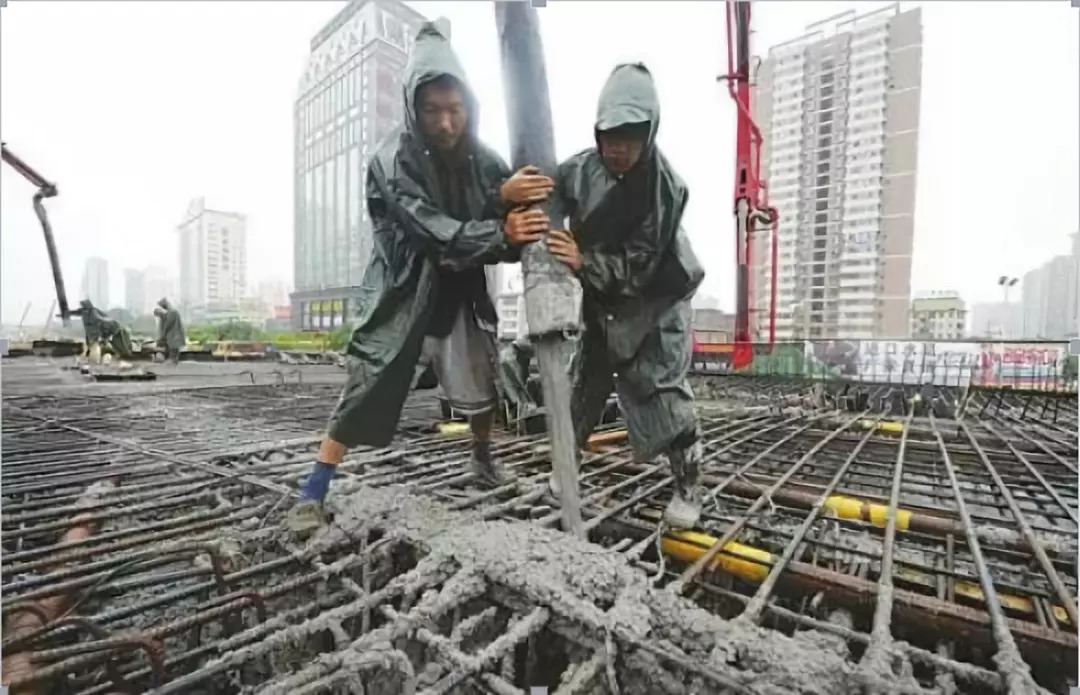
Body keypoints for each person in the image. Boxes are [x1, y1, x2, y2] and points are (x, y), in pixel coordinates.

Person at [287, 22, 553, 534]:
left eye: (455, 109)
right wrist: (502, 216)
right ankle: (313, 488)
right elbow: (433, 231)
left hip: (461, 295)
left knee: (480, 383)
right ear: (413, 107)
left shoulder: (486, 159)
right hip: (404, 295)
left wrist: (527, 223)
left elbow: (522, 220)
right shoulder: (393, 160)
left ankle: (482, 461)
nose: (447, 122)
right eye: (433, 110)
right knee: (363, 386)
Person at [546, 63, 706, 528]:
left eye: (631, 139)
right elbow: (548, 197)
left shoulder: (666, 188)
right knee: (585, 385)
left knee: (662, 392)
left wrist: (582, 262)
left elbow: (643, 262)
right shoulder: (579, 171)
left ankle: (688, 486)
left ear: (649, 134)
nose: (619, 150)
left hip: (656, 298)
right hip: (602, 294)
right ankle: (565, 469)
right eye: (611, 137)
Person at [154, 297, 185, 365]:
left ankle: (172, 360)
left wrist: (163, 335)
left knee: (173, 349)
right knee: (173, 349)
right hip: (174, 336)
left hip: (174, 336)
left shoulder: (172, 312)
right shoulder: (171, 312)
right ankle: (173, 360)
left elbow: (168, 325)